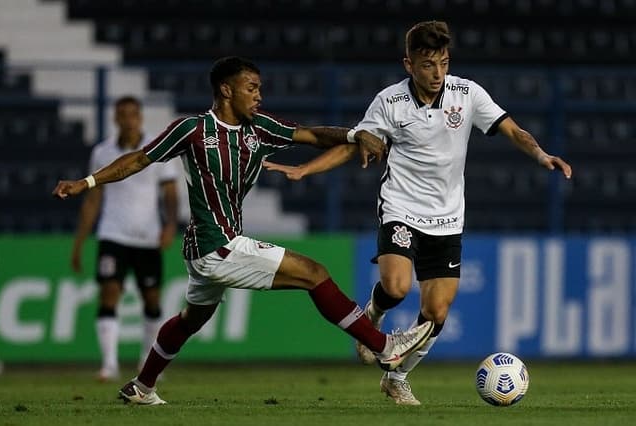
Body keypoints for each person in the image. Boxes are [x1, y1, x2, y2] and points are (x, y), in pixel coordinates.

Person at [53, 56, 435, 405]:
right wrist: (87, 182)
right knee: (313, 273)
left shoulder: (260, 128)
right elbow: (140, 158)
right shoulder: (191, 129)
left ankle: (142, 386)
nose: (258, 95)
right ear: (226, 90)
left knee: (192, 319)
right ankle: (384, 347)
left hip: (209, 248)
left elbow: (311, 135)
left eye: (259, 88)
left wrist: (354, 135)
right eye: (251, 88)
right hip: (214, 244)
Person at [264, 20, 573, 405]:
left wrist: (541, 154)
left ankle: (398, 378)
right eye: (428, 65)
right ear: (408, 65)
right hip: (402, 207)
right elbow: (356, 143)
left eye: (443, 63)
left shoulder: (468, 93)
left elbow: (512, 129)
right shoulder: (389, 102)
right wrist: (304, 169)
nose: (438, 73)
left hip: (448, 217)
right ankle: (374, 312)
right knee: (396, 287)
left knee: (436, 311)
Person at [70, 95, 179, 382]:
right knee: (109, 294)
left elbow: (170, 193)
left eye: (133, 114)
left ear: (140, 117)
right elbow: (93, 199)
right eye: (123, 114)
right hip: (112, 234)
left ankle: (147, 359)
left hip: (147, 236)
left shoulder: (157, 150)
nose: (128, 119)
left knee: (152, 299)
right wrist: (80, 242)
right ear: (115, 118)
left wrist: (170, 226)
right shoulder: (102, 152)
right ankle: (109, 364)